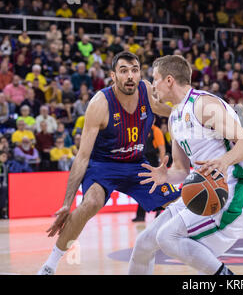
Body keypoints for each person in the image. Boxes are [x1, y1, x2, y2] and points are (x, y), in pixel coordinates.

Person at [37, 51, 177, 275]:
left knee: (178, 205)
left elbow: (165, 110)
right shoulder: (100, 104)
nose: (130, 76)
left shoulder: (147, 90)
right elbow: (82, 156)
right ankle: (49, 266)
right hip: (103, 165)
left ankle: (196, 260)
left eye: (134, 70)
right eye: (123, 71)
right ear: (113, 76)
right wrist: (67, 202)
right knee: (90, 203)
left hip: (136, 163)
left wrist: (190, 114)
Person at [128, 55, 243, 275]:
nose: (153, 85)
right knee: (144, 243)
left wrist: (223, 161)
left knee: (167, 237)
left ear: (169, 80)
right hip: (204, 189)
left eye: (155, 79)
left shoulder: (204, 105)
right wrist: (166, 176)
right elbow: (181, 170)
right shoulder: (174, 118)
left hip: (233, 189)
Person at [132, 122, 166, 222]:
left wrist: (161, 166)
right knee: (144, 190)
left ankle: (157, 213)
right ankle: (142, 215)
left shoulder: (156, 131)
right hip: (141, 163)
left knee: (154, 189)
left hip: (153, 164)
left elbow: (162, 149)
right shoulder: (139, 130)